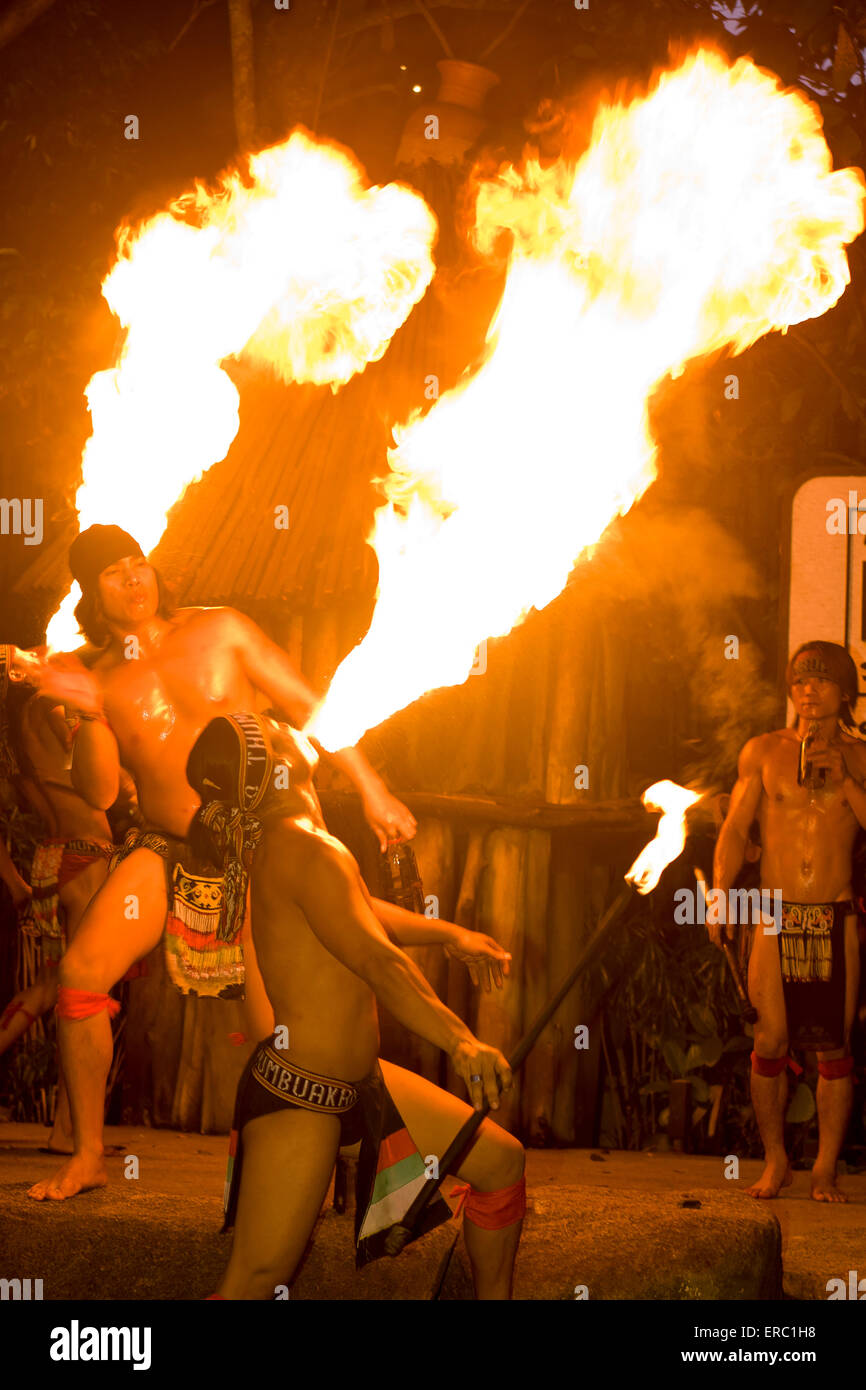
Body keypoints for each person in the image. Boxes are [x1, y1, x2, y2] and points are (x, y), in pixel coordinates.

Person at [26, 524, 416, 1202]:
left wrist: (374, 791)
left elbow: (307, 705)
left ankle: (324, 1171)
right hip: (168, 845)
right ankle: (87, 1154)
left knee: (279, 1026)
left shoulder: (223, 630)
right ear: (90, 594)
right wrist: (88, 714)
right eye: (113, 574)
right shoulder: (98, 674)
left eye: (137, 565)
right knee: (81, 974)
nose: (133, 580)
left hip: (260, 840)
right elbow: (102, 793)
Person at [186, 711, 524, 1300]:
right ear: (277, 766)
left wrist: (449, 936)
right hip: (302, 1093)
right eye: (275, 723)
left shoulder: (289, 842)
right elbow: (377, 959)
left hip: (361, 1083)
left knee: (500, 1165)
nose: (293, 720)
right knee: (253, 1282)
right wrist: (461, 1040)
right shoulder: (307, 847)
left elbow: (356, 910)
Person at [710, 641, 866, 1202]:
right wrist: (722, 894)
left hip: (834, 912)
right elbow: (734, 827)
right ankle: (776, 1160)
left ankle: (825, 1168)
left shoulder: (863, 756)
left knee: (832, 1047)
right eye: (800, 679)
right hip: (775, 914)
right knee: (771, 1038)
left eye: (822, 680)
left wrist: (846, 778)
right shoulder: (763, 751)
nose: (808, 690)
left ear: (845, 692)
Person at [0, 648, 114, 1151]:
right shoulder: (50, 709)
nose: (43, 653)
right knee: (86, 991)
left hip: (49, 859)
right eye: (27, 655)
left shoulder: (14, 733)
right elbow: (98, 788)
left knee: (52, 984)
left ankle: (67, 1129)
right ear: (20, 674)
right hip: (86, 854)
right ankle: (69, 1130)